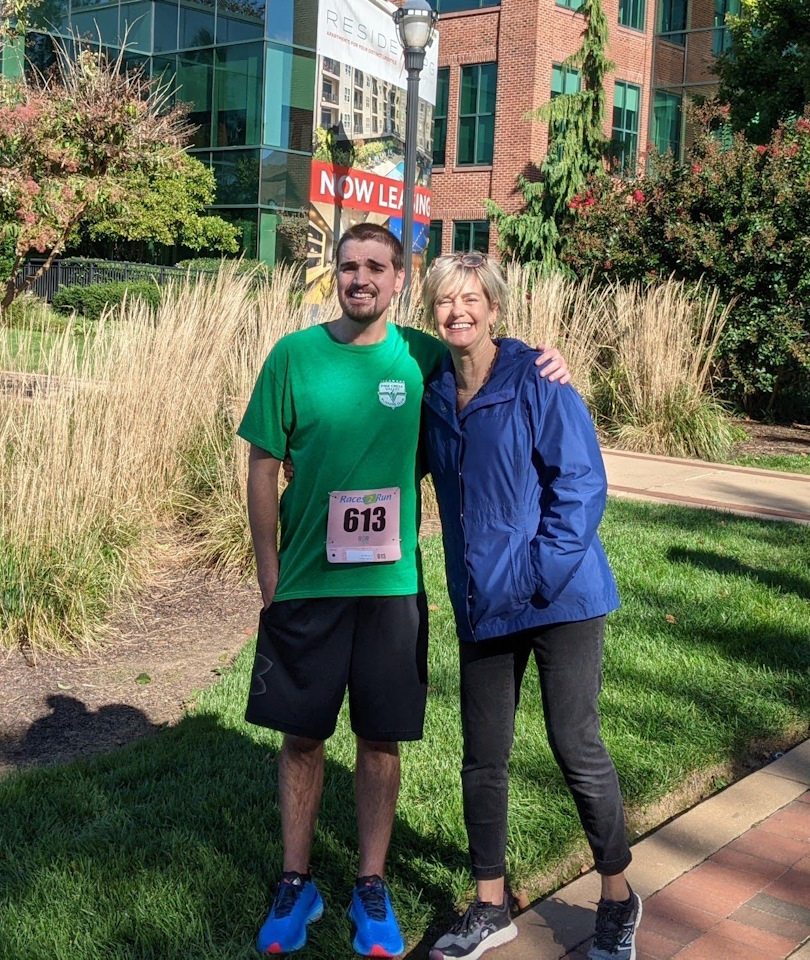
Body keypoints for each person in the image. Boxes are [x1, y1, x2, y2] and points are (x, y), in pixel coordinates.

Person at [236, 224, 570, 957]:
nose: (360, 278)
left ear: (398, 279)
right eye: (348, 266)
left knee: (379, 737)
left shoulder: (422, 355)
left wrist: (544, 358)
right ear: (335, 274)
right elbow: (262, 464)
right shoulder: (293, 356)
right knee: (303, 736)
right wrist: (268, 569)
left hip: (391, 586)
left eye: (376, 267)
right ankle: (296, 881)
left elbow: (486, 353)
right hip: (307, 582)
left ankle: (371, 883)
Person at [420, 253, 640, 960]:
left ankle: (617, 897)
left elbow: (581, 484)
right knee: (482, 756)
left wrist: (538, 573)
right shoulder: (432, 393)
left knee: (575, 743)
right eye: (445, 300)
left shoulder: (538, 378)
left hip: (559, 596)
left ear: (494, 307)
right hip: (485, 601)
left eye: (471, 299)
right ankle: (492, 906)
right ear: (432, 310)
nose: (458, 311)